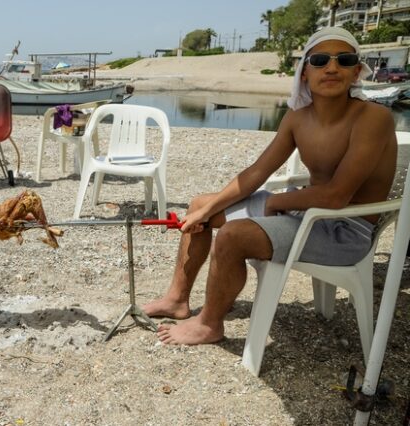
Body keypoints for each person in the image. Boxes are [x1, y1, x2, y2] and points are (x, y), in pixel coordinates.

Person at [143, 27, 398, 345]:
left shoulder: (373, 118)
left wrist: (276, 205)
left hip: (344, 230)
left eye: (343, 60)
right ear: (304, 72)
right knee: (199, 207)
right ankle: (177, 300)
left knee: (234, 236)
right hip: (303, 212)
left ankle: (209, 323)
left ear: (357, 71)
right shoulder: (297, 117)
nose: (332, 68)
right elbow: (257, 172)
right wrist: (207, 210)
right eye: (320, 60)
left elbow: (336, 195)